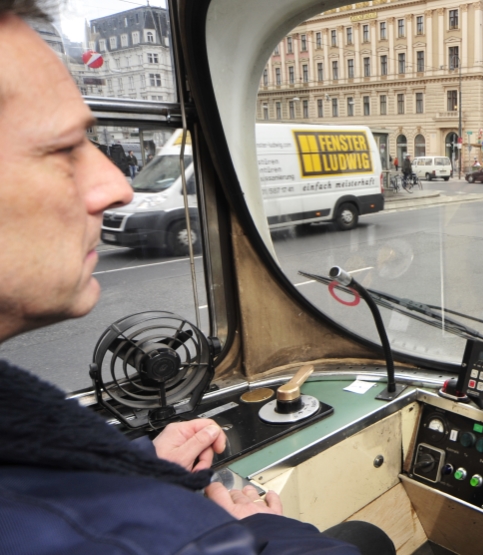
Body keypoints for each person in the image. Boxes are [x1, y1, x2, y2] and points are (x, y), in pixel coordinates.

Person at [0, 5, 392, 554]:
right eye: (63, 147)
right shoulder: (161, 539)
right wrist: (264, 528)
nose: (116, 187)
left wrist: (139, 466)